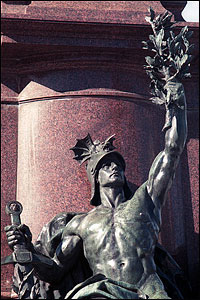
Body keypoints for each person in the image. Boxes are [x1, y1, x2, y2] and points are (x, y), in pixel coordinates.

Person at [5, 81, 188, 299]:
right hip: (103, 292)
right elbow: (55, 270)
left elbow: (172, 152)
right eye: (106, 165)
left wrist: (177, 107)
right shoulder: (81, 224)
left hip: (147, 292)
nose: (115, 168)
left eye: (118, 164)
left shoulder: (145, 202)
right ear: (95, 178)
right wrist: (29, 250)